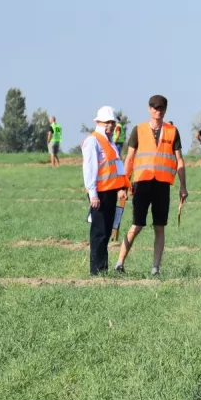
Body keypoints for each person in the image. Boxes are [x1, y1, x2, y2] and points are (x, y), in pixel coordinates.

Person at [115, 94, 187, 277]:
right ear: (149, 109)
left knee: (159, 227)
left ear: (165, 110)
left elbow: (179, 160)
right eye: (155, 108)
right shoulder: (138, 130)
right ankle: (119, 263)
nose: (158, 111)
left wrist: (183, 186)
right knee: (136, 226)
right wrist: (123, 185)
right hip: (141, 183)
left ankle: (155, 268)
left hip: (162, 185)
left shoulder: (172, 131)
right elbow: (129, 158)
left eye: (161, 108)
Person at [82, 106, 129, 276]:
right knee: (99, 232)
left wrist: (121, 188)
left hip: (110, 192)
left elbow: (116, 167)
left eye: (112, 122)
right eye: (107, 122)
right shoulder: (93, 140)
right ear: (98, 122)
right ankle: (96, 271)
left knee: (107, 231)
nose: (110, 125)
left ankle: (103, 269)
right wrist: (93, 194)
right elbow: (89, 169)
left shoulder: (110, 142)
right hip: (99, 194)